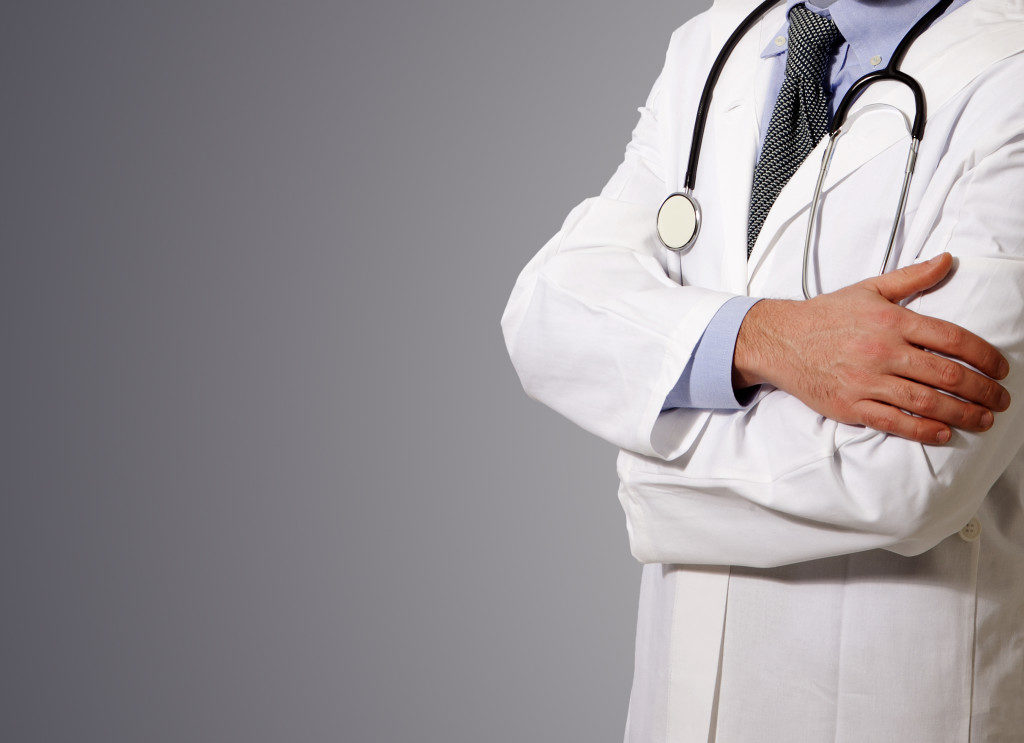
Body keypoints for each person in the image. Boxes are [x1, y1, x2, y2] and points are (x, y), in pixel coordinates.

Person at [500, 0, 1024, 740]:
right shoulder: (716, 46)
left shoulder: (1010, 78)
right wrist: (766, 337)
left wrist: (645, 470)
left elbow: (906, 478)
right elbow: (546, 312)